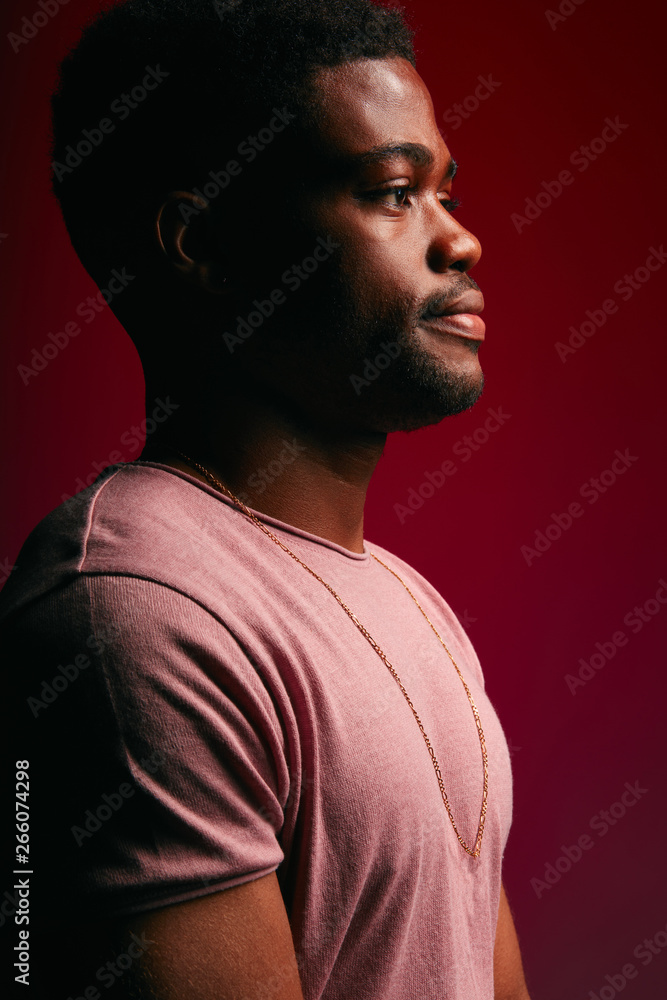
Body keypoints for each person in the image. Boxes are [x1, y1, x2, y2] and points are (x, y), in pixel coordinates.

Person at [2, 1, 532, 997]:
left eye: (442, 192)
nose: (458, 241)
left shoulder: (415, 606)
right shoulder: (136, 610)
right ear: (202, 245)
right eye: (389, 191)